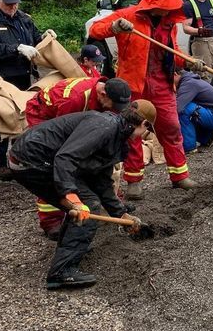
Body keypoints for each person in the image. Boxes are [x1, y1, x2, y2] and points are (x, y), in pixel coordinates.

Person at [8, 106, 151, 290]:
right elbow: (65, 158)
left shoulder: (115, 135)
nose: (142, 136)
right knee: (88, 205)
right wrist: (71, 196)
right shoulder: (104, 127)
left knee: (85, 203)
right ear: (144, 123)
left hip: (38, 158)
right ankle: (61, 272)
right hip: (31, 160)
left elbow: (101, 181)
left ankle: (69, 249)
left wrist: (121, 213)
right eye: (146, 130)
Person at [89, 0, 197, 193]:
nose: (169, 10)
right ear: (154, 2)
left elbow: (172, 50)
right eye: (166, 5)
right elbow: (95, 30)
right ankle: (134, 181)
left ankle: (179, 175)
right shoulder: (128, 16)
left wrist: (188, 61)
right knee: (132, 131)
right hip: (133, 84)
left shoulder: (168, 23)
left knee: (172, 128)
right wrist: (115, 26)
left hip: (161, 83)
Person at [24, 76, 132, 238]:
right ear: (103, 94)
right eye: (114, 105)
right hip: (44, 116)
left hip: (74, 113)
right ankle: (51, 220)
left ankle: (109, 199)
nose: (115, 110)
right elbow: (68, 144)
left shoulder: (107, 91)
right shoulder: (74, 99)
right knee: (54, 166)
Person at [0, 0, 48, 180]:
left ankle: (19, 159)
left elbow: (36, 37)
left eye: (15, 4)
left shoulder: (24, 19)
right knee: (0, 120)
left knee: (23, 118)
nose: (12, 8)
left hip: (23, 77)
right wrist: (16, 48)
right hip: (0, 79)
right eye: (8, 5)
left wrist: (44, 37)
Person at [174, 68, 213, 152]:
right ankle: (207, 137)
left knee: (184, 110)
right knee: (186, 110)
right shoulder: (186, 81)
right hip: (212, 113)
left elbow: (178, 108)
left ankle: (189, 147)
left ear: (175, 74)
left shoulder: (189, 84)